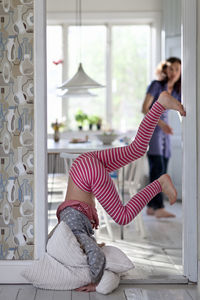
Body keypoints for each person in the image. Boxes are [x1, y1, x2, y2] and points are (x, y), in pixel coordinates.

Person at [56, 92, 186, 292]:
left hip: (87, 172)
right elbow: (90, 246)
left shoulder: (72, 238)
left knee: (122, 216)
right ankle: (160, 104)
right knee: (136, 149)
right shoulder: (64, 231)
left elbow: (94, 254)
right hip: (82, 163)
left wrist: (95, 281)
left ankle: (159, 184)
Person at [142, 57, 181, 218]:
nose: (173, 73)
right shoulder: (156, 85)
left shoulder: (178, 91)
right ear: (165, 70)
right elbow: (144, 108)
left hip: (166, 134)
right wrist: (161, 124)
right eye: (170, 69)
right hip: (153, 130)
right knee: (157, 169)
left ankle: (151, 206)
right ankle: (158, 208)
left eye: (177, 69)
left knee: (162, 167)